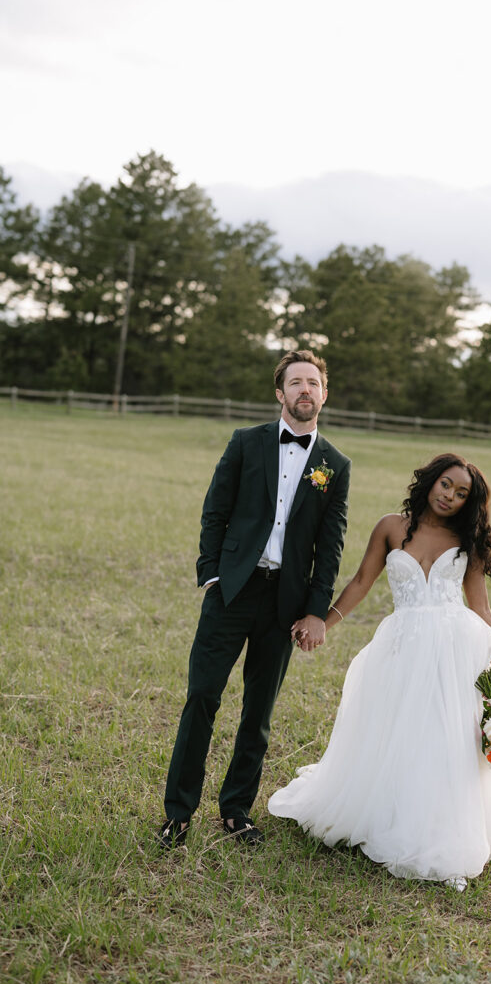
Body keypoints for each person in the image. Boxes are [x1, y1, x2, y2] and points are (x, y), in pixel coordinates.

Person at [269, 453, 491, 886]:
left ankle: (437, 829)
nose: (450, 497)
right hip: (401, 647)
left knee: (443, 738)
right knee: (396, 731)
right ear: (430, 481)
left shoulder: (466, 540)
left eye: (461, 494)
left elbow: (479, 607)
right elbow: (362, 581)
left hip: (453, 651)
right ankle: (388, 814)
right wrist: (323, 622)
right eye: (446, 485)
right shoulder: (390, 527)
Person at [158, 350, 351, 849]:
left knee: (258, 711)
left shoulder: (335, 464)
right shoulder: (247, 443)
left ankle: (236, 809)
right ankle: (178, 812)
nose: (304, 390)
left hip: (285, 604)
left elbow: (329, 546)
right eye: (295, 382)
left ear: (324, 394)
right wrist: (210, 576)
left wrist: (315, 610)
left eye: (313, 382)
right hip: (233, 591)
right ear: (280, 392)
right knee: (202, 696)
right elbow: (214, 509)